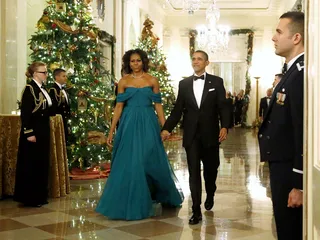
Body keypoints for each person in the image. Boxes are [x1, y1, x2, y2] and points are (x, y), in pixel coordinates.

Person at [95, 49, 184, 220]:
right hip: (128, 123)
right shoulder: (123, 81)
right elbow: (118, 107)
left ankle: (157, 193)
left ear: (143, 62)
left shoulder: (152, 80)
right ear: (128, 64)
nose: (135, 64)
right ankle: (131, 199)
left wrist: (165, 127)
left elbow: (158, 106)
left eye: (138, 61)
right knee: (130, 160)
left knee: (148, 158)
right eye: (132, 61)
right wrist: (112, 130)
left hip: (148, 121)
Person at [161, 50, 229, 225]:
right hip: (191, 136)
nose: (196, 61)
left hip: (211, 135)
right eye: (194, 59)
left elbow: (223, 106)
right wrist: (166, 128)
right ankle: (196, 210)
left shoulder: (217, 82)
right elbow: (177, 110)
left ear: (207, 62)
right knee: (193, 173)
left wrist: (225, 126)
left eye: (199, 59)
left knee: (211, 170)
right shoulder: (184, 84)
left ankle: (211, 191)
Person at [258, 11, 304, 240]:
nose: (274, 38)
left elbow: (303, 131)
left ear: (296, 38)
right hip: (280, 164)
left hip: (289, 168)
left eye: (278, 32)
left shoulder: (301, 75)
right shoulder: (291, 72)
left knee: (289, 230)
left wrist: (299, 183)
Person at [14, 62, 54, 207]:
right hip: (34, 131)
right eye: (44, 72)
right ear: (35, 73)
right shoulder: (29, 89)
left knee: (41, 163)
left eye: (46, 72)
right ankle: (31, 197)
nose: (46, 75)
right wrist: (29, 132)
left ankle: (40, 195)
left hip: (43, 129)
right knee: (32, 164)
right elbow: (25, 114)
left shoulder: (43, 89)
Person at [49, 68, 70, 143]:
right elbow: (54, 108)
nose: (66, 78)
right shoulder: (53, 90)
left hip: (64, 121)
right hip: (58, 122)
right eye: (63, 76)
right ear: (57, 77)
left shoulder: (64, 89)